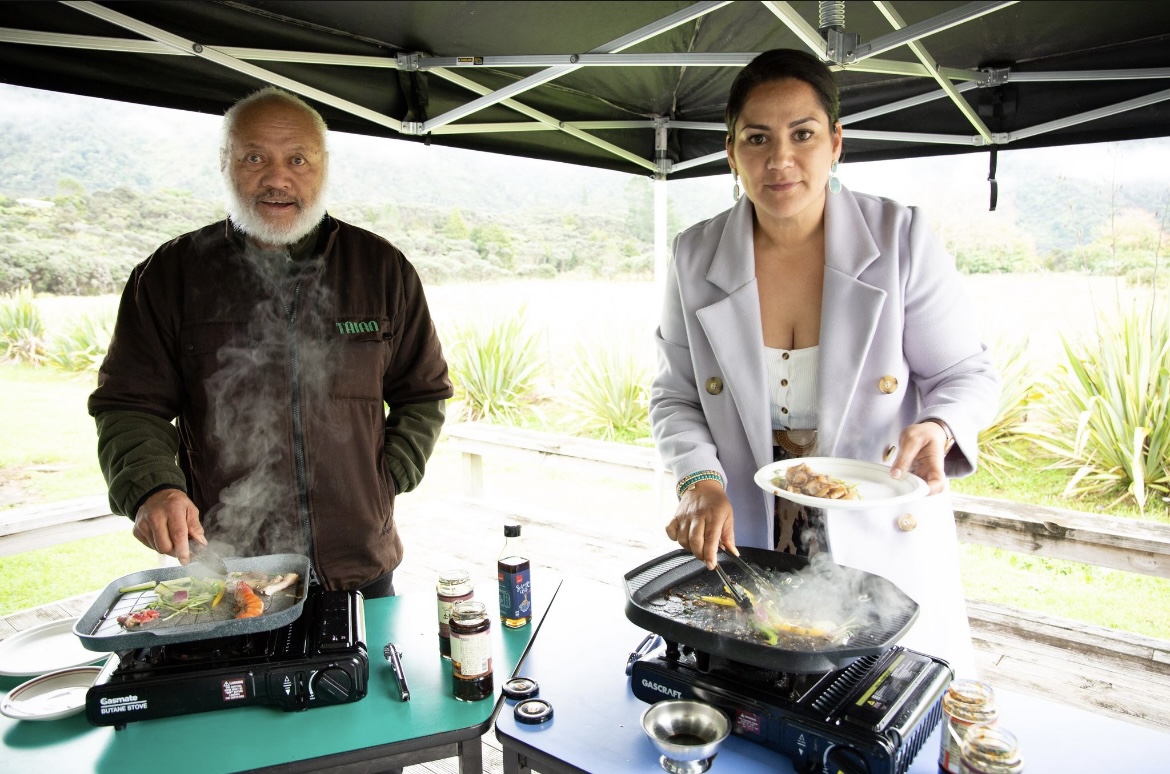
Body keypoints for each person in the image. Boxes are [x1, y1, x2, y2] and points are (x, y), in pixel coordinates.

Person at [649, 49, 1000, 676]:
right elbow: (675, 396)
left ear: (835, 143)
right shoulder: (694, 255)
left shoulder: (899, 238)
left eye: (803, 134)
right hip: (752, 538)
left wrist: (938, 428)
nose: (779, 159)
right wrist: (697, 482)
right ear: (731, 153)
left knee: (882, 700)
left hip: (879, 534)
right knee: (759, 695)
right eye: (757, 138)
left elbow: (965, 375)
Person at [88, 86, 452, 597]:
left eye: (297, 159)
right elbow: (129, 405)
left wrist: (385, 479)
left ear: (323, 167)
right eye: (254, 157)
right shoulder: (169, 275)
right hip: (230, 569)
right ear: (225, 164)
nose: (278, 178)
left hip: (359, 566)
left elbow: (424, 391)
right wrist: (154, 486)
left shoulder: (381, 269)